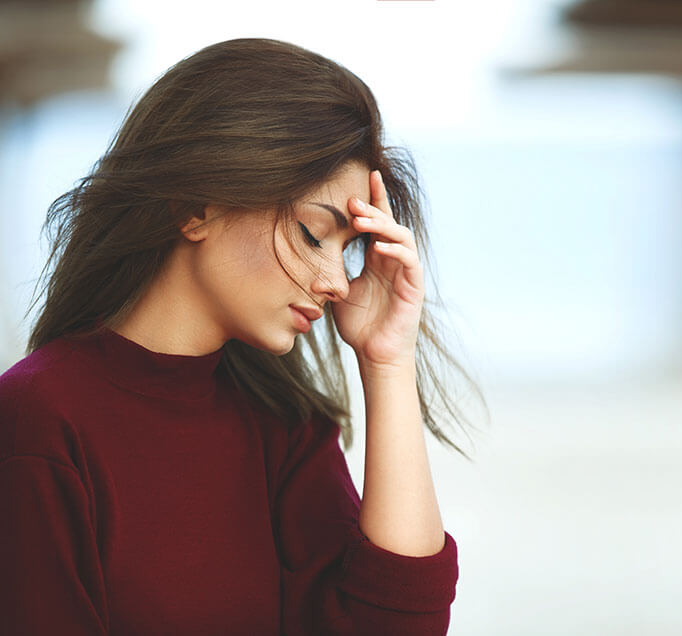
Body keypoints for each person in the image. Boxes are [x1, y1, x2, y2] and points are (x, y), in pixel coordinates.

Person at [0, 38, 483, 636]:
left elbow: (399, 625)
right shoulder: (38, 421)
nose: (337, 282)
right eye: (313, 234)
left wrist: (387, 360)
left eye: (347, 250)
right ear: (196, 205)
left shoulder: (282, 422)